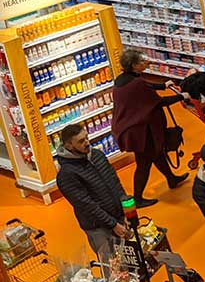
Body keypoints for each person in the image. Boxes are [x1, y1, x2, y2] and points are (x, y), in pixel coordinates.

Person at [110, 49, 188, 208]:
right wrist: (182, 96)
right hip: (139, 131)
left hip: (131, 127)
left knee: (158, 154)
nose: (146, 63)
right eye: (142, 62)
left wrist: (163, 85)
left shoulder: (123, 79)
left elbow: (146, 86)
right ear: (134, 65)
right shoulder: (136, 83)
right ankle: (137, 198)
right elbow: (159, 102)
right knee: (143, 164)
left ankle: (171, 179)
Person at [55, 123, 130, 256]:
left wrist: (125, 210)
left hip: (118, 217)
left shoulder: (97, 155)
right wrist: (112, 224)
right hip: (98, 228)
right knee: (112, 266)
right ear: (68, 146)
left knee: (130, 260)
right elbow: (87, 205)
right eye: (81, 141)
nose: (87, 143)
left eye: (86, 138)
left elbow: (115, 183)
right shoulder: (66, 174)